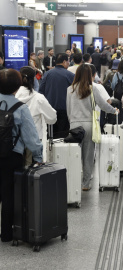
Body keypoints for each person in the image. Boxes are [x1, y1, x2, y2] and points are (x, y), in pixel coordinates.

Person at [0, 69, 43, 242]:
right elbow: (31, 137)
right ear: (18, 86)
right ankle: (7, 234)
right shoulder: (20, 108)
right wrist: (38, 157)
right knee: (9, 193)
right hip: (11, 155)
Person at [66, 64, 118, 191]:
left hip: (74, 125)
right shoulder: (92, 88)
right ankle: (85, 184)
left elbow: (68, 109)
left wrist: (72, 122)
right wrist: (114, 110)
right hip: (89, 125)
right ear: (90, 75)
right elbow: (103, 104)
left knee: (74, 155)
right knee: (88, 156)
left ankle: (73, 182)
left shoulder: (70, 89)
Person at [15, 66, 57, 164]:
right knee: (32, 173)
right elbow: (52, 118)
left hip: (15, 142)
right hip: (34, 140)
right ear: (34, 79)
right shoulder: (38, 98)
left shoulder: (13, 96)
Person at [39, 53, 75, 138]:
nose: (68, 63)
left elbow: (41, 91)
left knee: (51, 134)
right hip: (64, 109)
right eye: (68, 61)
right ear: (64, 62)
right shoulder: (70, 75)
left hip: (49, 108)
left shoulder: (47, 74)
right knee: (63, 135)